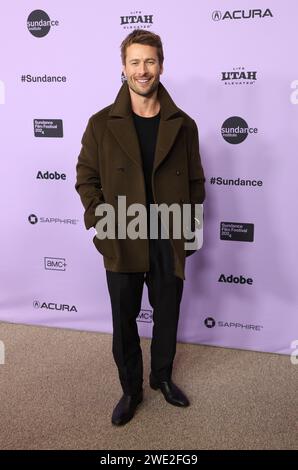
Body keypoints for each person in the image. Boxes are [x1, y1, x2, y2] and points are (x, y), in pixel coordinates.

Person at [75, 29, 205, 426]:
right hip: (123, 235)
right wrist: (103, 224)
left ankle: (162, 378)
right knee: (123, 320)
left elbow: (196, 182)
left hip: (168, 234)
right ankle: (131, 390)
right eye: (135, 62)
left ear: (161, 66)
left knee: (167, 314)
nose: (143, 70)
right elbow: (86, 178)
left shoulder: (184, 124)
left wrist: (190, 230)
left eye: (150, 61)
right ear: (123, 68)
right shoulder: (100, 123)